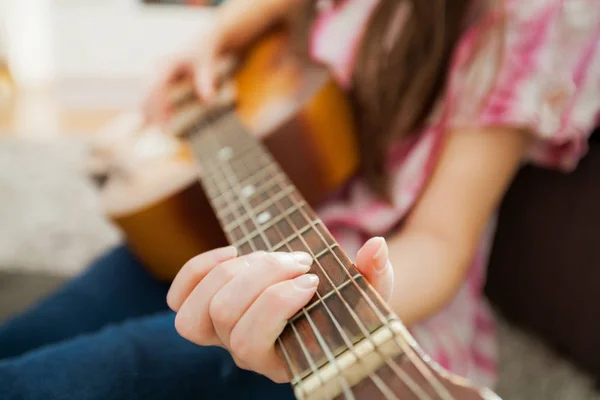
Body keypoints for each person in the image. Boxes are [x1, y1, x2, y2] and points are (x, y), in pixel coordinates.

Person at [1, 0, 599, 398]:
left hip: (353, 283)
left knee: (63, 378)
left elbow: (441, 242)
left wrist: (351, 309)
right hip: (216, 222)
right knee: (26, 337)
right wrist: (218, 34)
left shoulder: (530, 14)